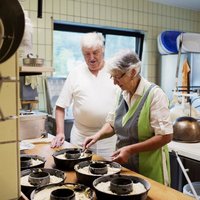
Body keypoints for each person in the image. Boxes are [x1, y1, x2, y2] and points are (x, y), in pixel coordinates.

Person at [83, 49, 173, 185]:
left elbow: (165, 136)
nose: (114, 82)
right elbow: (112, 123)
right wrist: (97, 136)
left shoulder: (155, 95)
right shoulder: (122, 93)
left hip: (150, 169)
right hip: (126, 167)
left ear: (133, 72)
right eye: (112, 77)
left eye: (118, 77)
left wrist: (130, 150)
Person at [51, 32, 117, 160]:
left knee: (108, 175)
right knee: (78, 173)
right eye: (87, 54)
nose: (91, 58)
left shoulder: (114, 71)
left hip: (109, 140)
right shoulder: (76, 73)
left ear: (102, 50)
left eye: (95, 52)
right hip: (81, 138)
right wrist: (60, 132)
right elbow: (60, 107)